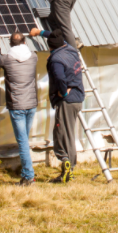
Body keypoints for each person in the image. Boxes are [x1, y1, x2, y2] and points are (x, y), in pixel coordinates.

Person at [0, 32, 38, 186]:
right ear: (24, 42)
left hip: (17, 105)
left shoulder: (7, 59)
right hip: (31, 104)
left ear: (10, 43)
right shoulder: (33, 57)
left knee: (22, 141)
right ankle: (26, 173)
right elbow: (26, 50)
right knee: (24, 139)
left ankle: (29, 177)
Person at [45, 30, 84, 183]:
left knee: (62, 133)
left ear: (50, 47)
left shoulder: (56, 60)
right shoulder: (70, 49)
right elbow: (56, 37)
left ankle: (66, 163)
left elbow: (60, 77)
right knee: (69, 133)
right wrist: (41, 32)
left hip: (67, 101)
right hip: (77, 97)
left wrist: (63, 93)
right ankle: (70, 168)